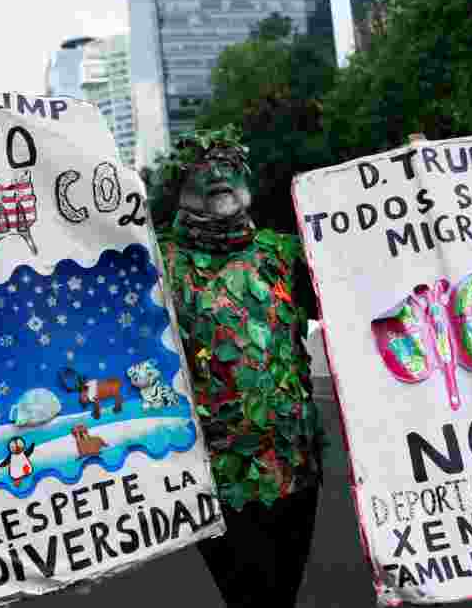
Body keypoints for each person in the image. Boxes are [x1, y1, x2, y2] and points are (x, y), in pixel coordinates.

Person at [155, 129, 326, 608]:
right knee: (249, 598)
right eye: (202, 171)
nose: (217, 177)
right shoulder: (159, 262)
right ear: (181, 187)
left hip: (295, 467)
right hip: (214, 475)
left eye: (229, 166)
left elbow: (359, 291)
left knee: (281, 595)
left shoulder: (285, 254)